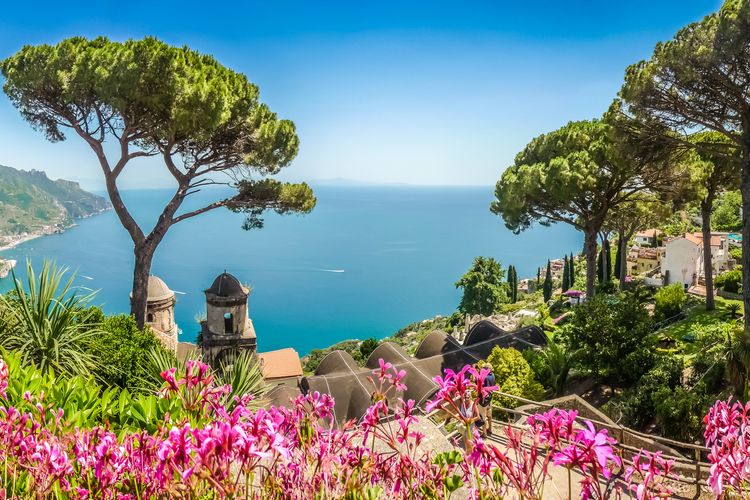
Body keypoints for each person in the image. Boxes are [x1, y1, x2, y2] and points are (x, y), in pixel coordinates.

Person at [477, 361, 496, 437]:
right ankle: (490, 429)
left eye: (484, 368)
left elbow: (480, 386)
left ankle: (484, 433)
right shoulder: (493, 375)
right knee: (489, 414)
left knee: (482, 416)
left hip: (483, 399)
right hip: (490, 397)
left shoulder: (485, 377)